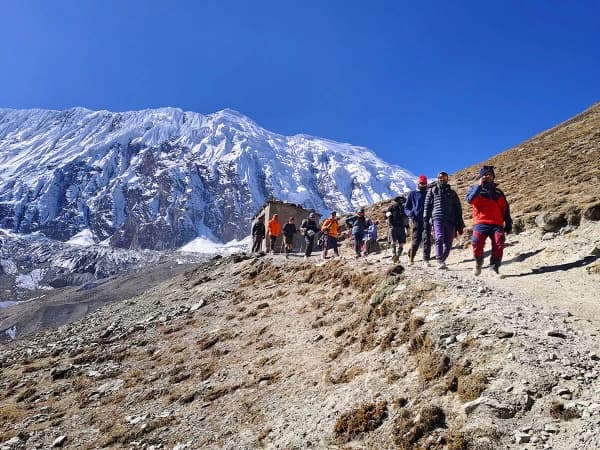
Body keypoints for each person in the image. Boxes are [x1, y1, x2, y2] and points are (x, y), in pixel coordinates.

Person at [466, 165, 513, 276]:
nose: (488, 176)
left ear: (493, 177)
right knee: (476, 242)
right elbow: (470, 200)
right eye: (485, 175)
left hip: (497, 223)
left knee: (499, 243)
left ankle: (494, 268)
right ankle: (478, 262)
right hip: (481, 222)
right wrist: (479, 186)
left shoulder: (498, 192)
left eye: (490, 174)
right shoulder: (474, 189)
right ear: (481, 176)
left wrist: (508, 222)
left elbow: (505, 208)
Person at [424, 172, 465, 269]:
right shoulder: (432, 190)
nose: (441, 179)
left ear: (447, 179)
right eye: (439, 177)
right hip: (437, 217)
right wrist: (426, 218)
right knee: (439, 237)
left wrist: (459, 220)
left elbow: (457, 207)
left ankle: (442, 260)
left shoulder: (452, 193)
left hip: (450, 220)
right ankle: (439, 260)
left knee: (449, 243)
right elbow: (427, 205)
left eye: (443, 177)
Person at [404, 175, 432, 267]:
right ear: (418, 183)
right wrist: (410, 213)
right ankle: (411, 257)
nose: (423, 185)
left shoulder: (429, 193)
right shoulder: (412, 194)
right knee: (416, 240)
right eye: (421, 183)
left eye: (425, 183)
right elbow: (406, 208)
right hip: (416, 220)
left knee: (427, 239)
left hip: (427, 219)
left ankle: (426, 259)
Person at [386, 196, 407, 263]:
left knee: (396, 242)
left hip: (396, 227)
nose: (401, 201)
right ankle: (396, 256)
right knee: (398, 242)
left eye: (402, 200)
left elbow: (406, 219)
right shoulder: (393, 207)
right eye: (400, 200)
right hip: (396, 227)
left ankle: (395, 256)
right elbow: (387, 215)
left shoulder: (402, 208)